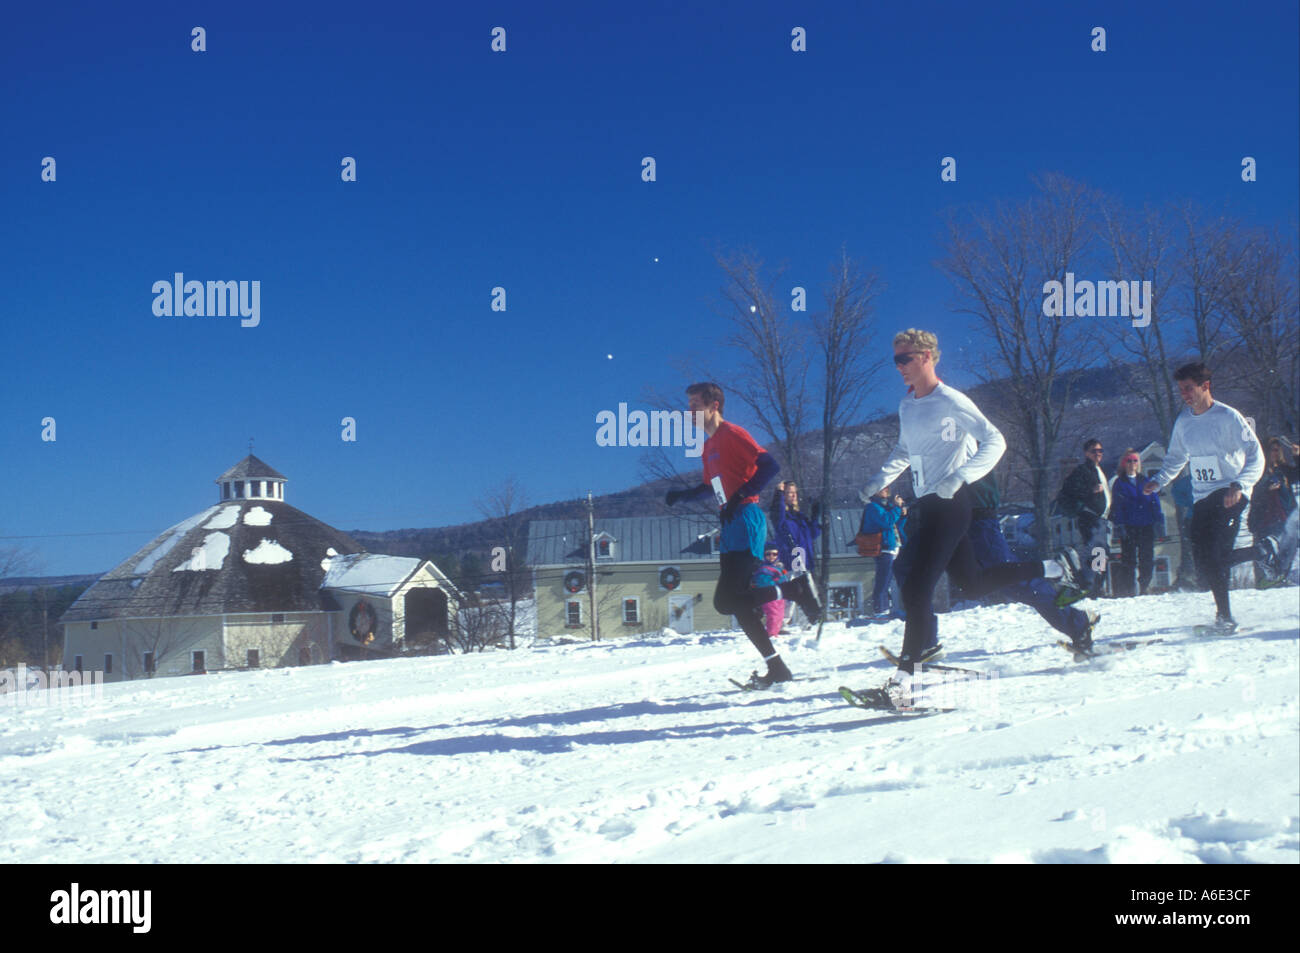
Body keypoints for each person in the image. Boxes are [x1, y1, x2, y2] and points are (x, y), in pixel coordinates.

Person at [858, 329, 1081, 681]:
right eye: (895, 360)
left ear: (927, 356)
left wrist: (961, 477)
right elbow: (904, 450)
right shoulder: (908, 405)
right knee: (973, 583)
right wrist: (879, 479)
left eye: (905, 359)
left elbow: (996, 440)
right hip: (927, 505)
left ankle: (904, 683)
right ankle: (1049, 567)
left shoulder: (951, 401)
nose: (899, 366)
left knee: (916, 587)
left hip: (951, 504)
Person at [665, 382, 821, 686]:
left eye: (696, 404)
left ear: (714, 406)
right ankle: (777, 667)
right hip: (730, 522)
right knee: (731, 603)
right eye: (689, 405)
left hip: (747, 518)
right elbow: (712, 486)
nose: (690, 411)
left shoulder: (732, 434)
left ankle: (795, 590)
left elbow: (768, 465)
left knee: (731, 600)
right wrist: (682, 496)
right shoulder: (709, 446)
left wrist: (739, 498)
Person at [1143, 363, 1267, 632]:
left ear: (1205, 386)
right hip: (1203, 497)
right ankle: (1262, 551)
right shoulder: (1184, 422)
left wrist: (1240, 485)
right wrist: (1158, 480)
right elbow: (1176, 457)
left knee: (1216, 553)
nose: (1185, 395)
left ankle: (1225, 617)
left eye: (1189, 388)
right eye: (1181, 390)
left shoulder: (1230, 417)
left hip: (1231, 492)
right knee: (1203, 556)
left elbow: (1257, 456)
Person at [962, 472, 1100, 651]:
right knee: (1003, 582)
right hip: (964, 516)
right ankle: (923, 644)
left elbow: (990, 448)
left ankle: (1061, 583)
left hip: (976, 515)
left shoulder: (960, 445)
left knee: (1012, 581)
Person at [1055, 438, 1112, 598]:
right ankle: (1093, 588)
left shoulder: (1099, 469)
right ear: (1086, 453)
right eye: (1094, 451)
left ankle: (1096, 586)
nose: (1098, 454)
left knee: (1100, 552)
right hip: (1091, 517)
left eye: (1100, 451)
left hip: (1103, 518)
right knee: (1097, 552)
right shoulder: (1082, 471)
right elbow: (1069, 490)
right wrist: (1090, 490)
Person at [1109, 448, 1165, 596]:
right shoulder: (1119, 483)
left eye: (1135, 460)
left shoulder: (1146, 481)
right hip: (1129, 526)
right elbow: (1118, 506)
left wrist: (1158, 521)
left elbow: (1154, 502)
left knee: (1147, 558)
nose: (1132, 463)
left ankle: (1144, 586)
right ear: (1123, 463)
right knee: (1129, 560)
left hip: (1146, 525)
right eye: (1129, 460)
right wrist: (1119, 525)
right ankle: (1129, 589)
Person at [1247, 437, 1299, 587]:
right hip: (1266, 517)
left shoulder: (1283, 469)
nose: (1275, 453)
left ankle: (1280, 579)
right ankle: (1268, 581)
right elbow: (1253, 492)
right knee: (1268, 551)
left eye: (1277, 450)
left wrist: (1297, 456)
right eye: (1272, 450)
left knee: (1287, 551)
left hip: (1284, 515)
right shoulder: (1259, 470)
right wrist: (1266, 490)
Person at [860, 486, 906, 618]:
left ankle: (884, 609)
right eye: (881, 487)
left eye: (886, 487)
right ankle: (880, 611)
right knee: (883, 581)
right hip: (884, 548)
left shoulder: (886, 507)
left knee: (888, 582)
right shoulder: (872, 507)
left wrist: (902, 515)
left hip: (893, 547)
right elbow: (886, 522)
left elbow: (895, 526)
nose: (886, 489)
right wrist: (897, 509)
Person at [769, 481, 821, 575]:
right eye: (790, 492)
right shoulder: (780, 516)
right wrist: (779, 494)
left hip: (806, 561)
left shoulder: (799, 517)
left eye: (795, 492)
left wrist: (815, 516)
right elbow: (778, 511)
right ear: (783, 495)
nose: (794, 495)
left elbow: (813, 534)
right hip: (791, 562)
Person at [752, 543, 792, 637]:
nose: (771, 557)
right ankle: (771, 633)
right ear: (764, 555)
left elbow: (784, 579)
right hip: (769, 595)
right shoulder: (762, 569)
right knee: (773, 614)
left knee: (780, 614)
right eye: (768, 554)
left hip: (779, 596)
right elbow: (761, 582)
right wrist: (775, 580)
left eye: (774, 554)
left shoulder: (778, 567)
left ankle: (776, 632)